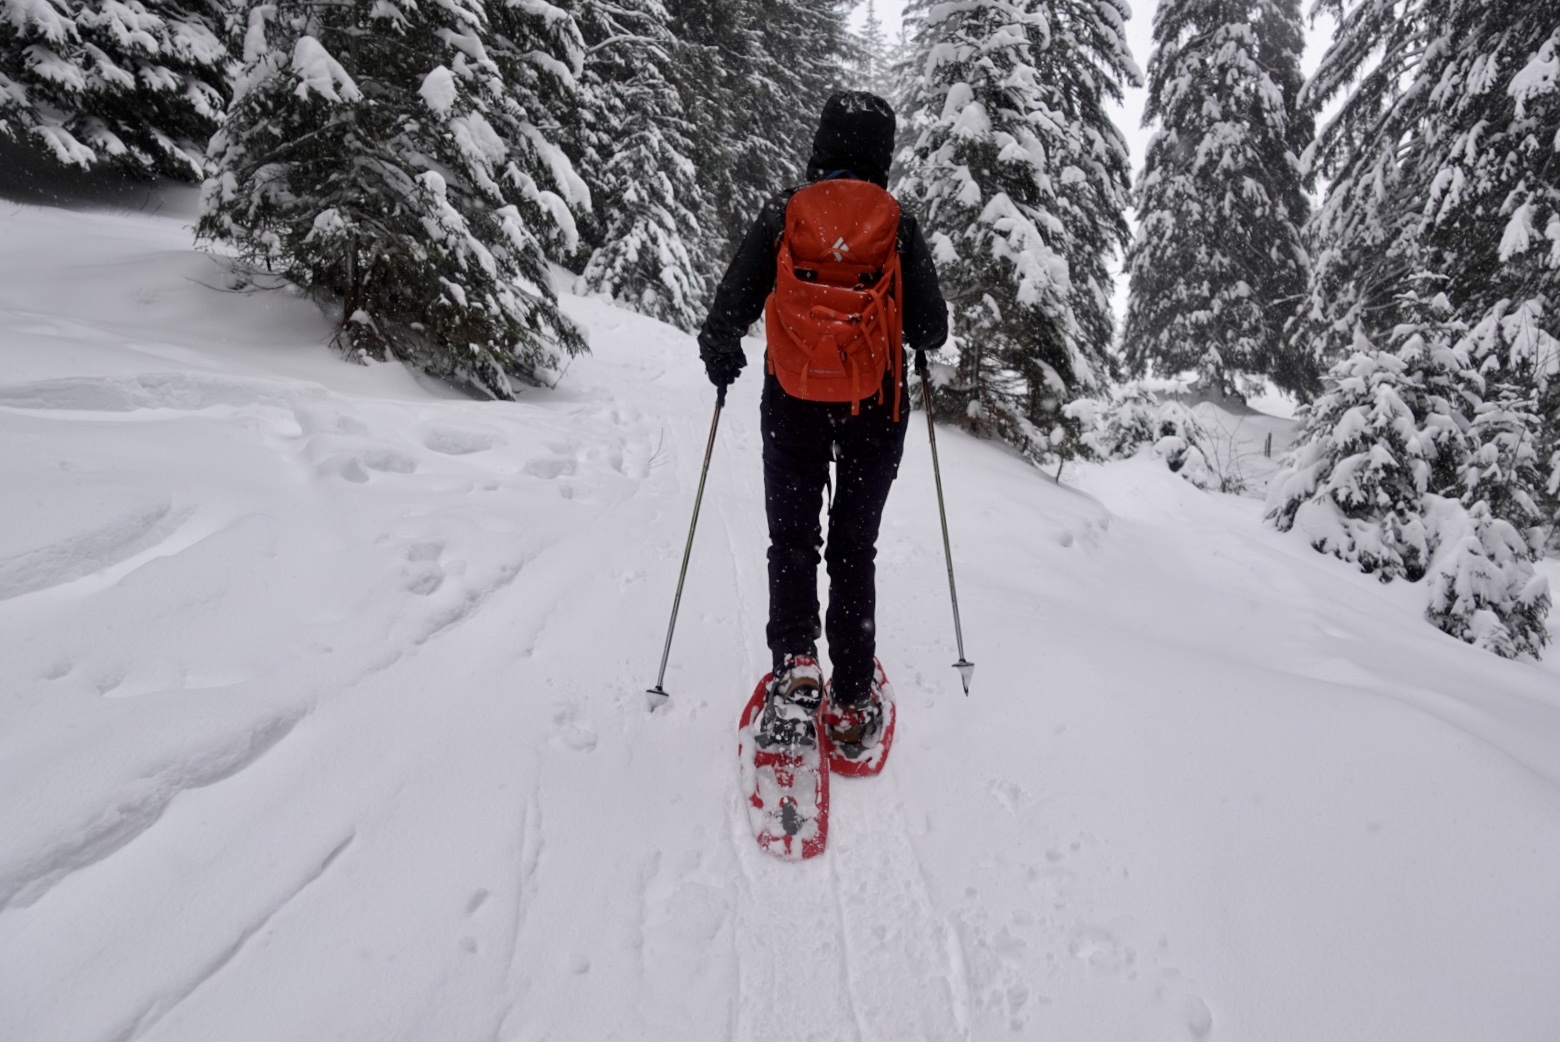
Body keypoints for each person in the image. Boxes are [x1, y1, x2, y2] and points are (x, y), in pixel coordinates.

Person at [697, 91, 948, 762]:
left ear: (821, 144)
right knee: (852, 549)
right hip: (875, 409)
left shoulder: (786, 213)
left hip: (793, 402)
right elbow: (932, 329)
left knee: (793, 541)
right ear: (882, 155)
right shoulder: (900, 225)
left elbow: (733, 305)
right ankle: (854, 694)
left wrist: (722, 354)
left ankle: (796, 666)